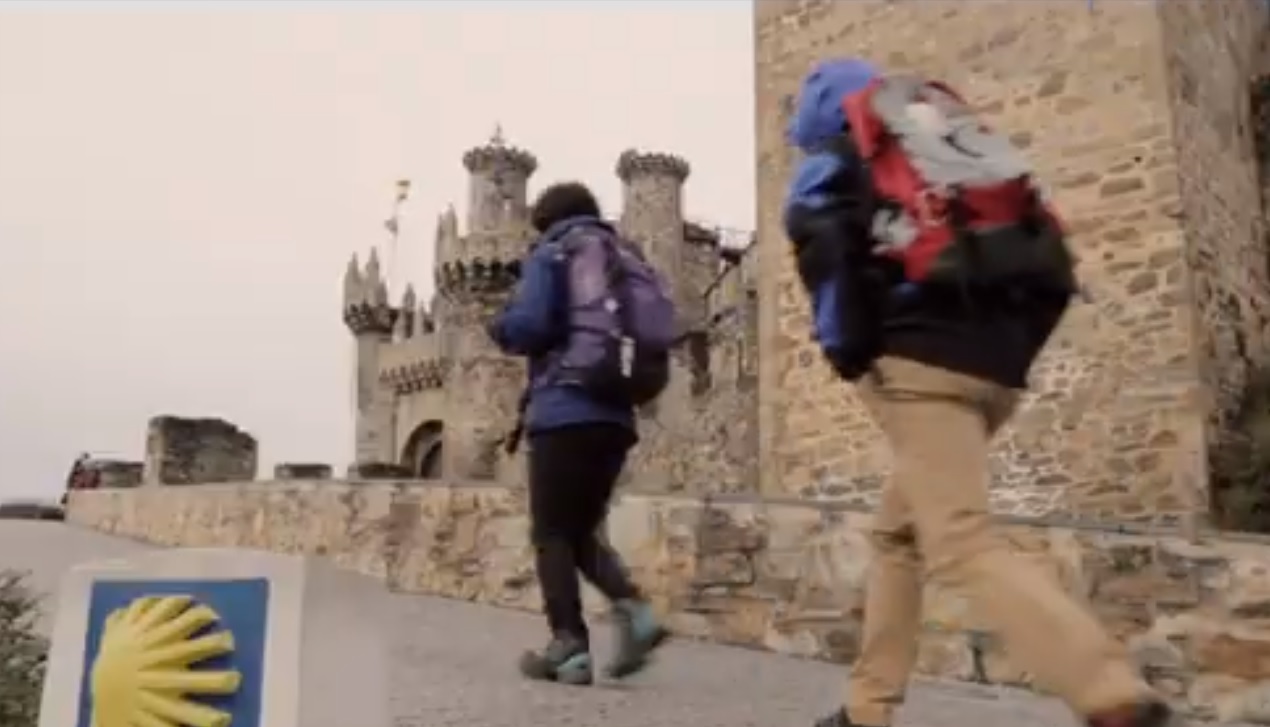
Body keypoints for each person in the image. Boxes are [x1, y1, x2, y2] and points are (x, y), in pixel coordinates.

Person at [782, 58, 1176, 727]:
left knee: (961, 539)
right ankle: (865, 707)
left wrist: (854, 356)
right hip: (998, 370)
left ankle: (1110, 691)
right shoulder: (952, 145)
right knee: (898, 534)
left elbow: (824, 261)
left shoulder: (835, 161)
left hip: (920, 366)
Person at [487, 181, 670, 686]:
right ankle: (636, 612)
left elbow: (532, 325)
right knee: (579, 531)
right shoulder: (623, 254)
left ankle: (568, 645)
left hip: (565, 409)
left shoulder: (555, 251)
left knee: (550, 532)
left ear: (546, 221)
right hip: (617, 416)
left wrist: (500, 326)